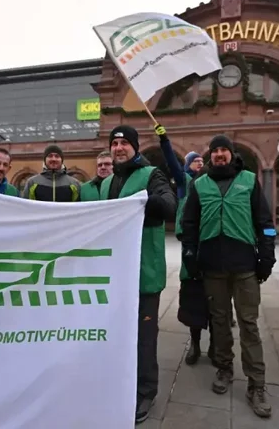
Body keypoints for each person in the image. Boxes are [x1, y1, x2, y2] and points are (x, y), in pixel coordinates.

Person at [181, 134, 276, 418]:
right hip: (212, 267)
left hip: (245, 266)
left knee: (248, 324)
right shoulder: (200, 184)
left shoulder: (248, 180)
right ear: (209, 155)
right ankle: (223, 368)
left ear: (232, 154)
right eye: (215, 150)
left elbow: (265, 223)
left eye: (224, 150)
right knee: (219, 322)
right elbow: (189, 223)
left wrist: (267, 256)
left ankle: (256, 383)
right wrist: (189, 253)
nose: (219, 154)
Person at [99, 125, 177, 424]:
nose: (119, 148)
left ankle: (146, 390)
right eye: (114, 143)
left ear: (135, 147)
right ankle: (121, 382)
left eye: (124, 143)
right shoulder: (106, 184)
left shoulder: (151, 175)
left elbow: (170, 206)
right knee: (119, 334)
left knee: (144, 337)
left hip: (144, 274)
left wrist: (142, 201)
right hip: (115, 275)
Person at [171, 147, 214, 366]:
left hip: (214, 256)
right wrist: (164, 141)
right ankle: (195, 344)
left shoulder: (212, 185)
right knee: (193, 305)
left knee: (217, 306)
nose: (199, 163)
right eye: (194, 161)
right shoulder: (185, 183)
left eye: (201, 161)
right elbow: (173, 164)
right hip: (191, 254)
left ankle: (216, 346)